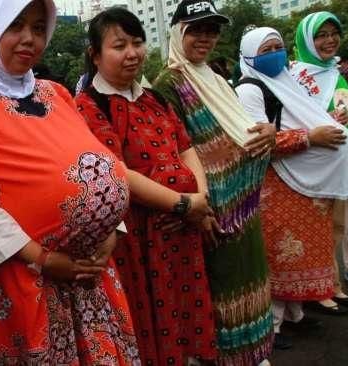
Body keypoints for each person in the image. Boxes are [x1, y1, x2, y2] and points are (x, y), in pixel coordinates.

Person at [0, 0, 140, 364]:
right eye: (15, 26)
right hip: (25, 278)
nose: (29, 39)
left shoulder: (54, 93)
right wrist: (43, 258)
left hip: (90, 273)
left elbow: (96, 162)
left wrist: (110, 229)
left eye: (39, 29)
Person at [75, 8, 217, 366]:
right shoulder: (90, 106)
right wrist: (182, 204)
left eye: (137, 43)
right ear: (95, 55)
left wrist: (200, 198)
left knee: (187, 312)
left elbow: (185, 147)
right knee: (152, 319)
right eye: (119, 45)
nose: (132, 53)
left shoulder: (155, 99)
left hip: (182, 229)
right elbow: (117, 171)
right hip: (141, 237)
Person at [152, 1, 277, 364]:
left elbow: (242, 132)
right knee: (221, 289)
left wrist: (269, 132)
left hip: (243, 208)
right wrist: (199, 209)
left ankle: (253, 353)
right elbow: (172, 156)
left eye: (212, 30)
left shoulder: (217, 79)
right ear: (178, 33)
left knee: (250, 278)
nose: (205, 38)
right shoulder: (168, 85)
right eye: (196, 30)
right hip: (211, 214)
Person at [235, 26, 348, 350]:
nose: (275, 53)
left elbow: (296, 119)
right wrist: (310, 138)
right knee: (280, 254)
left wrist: (326, 120)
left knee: (297, 255)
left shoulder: (285, 81)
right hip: (275, 185)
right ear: (249, 56)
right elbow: (254, 141)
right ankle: (271, 326)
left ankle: (294, 315)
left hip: (301, 185)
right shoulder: (249, 89)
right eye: (266, 49)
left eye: (278, 46)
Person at [289, 11, 348, 310]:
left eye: (332, 33)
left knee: (336, 228)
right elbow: (287, 122)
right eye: (320, 35)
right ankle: (314, 292)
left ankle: (332, 285)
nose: (329, 41)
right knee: (309, 231)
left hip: (337, 167)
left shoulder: (336, 74)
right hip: (304, 167)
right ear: (306, 40)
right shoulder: (291, 76)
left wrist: (344, 118)